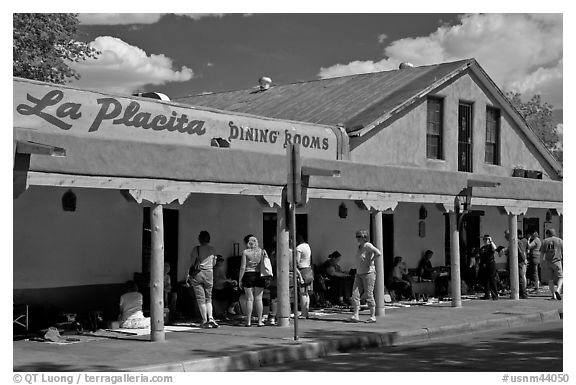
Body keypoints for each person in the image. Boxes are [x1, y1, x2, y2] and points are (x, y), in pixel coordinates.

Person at [350, 229, 382, 323]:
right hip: (359, 273)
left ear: (365, 237)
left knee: (369, 294)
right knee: (355, 294)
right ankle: (355, 315)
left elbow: (378, 253)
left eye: (360, 236)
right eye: (357, 236)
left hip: (369, 273)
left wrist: (371, 260)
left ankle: (372, 316)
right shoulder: (359, 246)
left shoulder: (368, 245)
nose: (358, 238)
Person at [189, 230, 218, 329]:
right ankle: (211, 317)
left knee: (200, 298)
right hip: (209, 273)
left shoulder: (196, 249)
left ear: (199, 239)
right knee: (208, 297)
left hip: (198, 273)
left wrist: (188, 274)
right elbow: (214, 263)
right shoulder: (212, 249)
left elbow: (192, 263)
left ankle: (204, 320)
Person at [239, 234, 267, 327]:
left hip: (248, 274)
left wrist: (240, 279)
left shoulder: (245, 252)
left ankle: (248, 321)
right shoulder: (262, 252)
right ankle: (259, 321)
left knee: (249, 299)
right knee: (259, 299)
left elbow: (243, 267)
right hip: (259, 275)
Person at [504, 229, 528, 299]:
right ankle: (520, 292)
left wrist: (524, 259)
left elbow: (521, 252)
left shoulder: (517, 242)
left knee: (520, 277)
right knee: (516, 277)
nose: (505, 237)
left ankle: (523, 293)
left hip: (518, 262)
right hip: (513, 262)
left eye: (506, 235)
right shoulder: (513, 242)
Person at [540, 228, 563, 300]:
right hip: (557, 261)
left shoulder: (545, 241)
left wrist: (541, 263)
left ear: (548, 234)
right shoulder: (559, 240)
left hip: (548, 262)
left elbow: (542, 253)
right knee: (560, 277)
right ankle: (558, 290)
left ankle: (553, 294)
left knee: (550, 280)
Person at [296, 234, 313, 318]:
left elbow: (297, 261)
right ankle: (306, 311)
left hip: (302, 270)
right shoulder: (307, 246)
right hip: (308, 269)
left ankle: (303, 313)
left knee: (302, 293)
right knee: (306, 293)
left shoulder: (299, 248)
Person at [479, 235, 498, 300]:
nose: (485, 240)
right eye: (484, 239)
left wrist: (491, 241)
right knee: (486, 281)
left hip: (491, 264)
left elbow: (495, 248)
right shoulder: (482, 247)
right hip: (485, 265)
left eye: (486, 239)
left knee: (492, 280)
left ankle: (495, 296)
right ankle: (487, 295)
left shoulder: (491, 246)